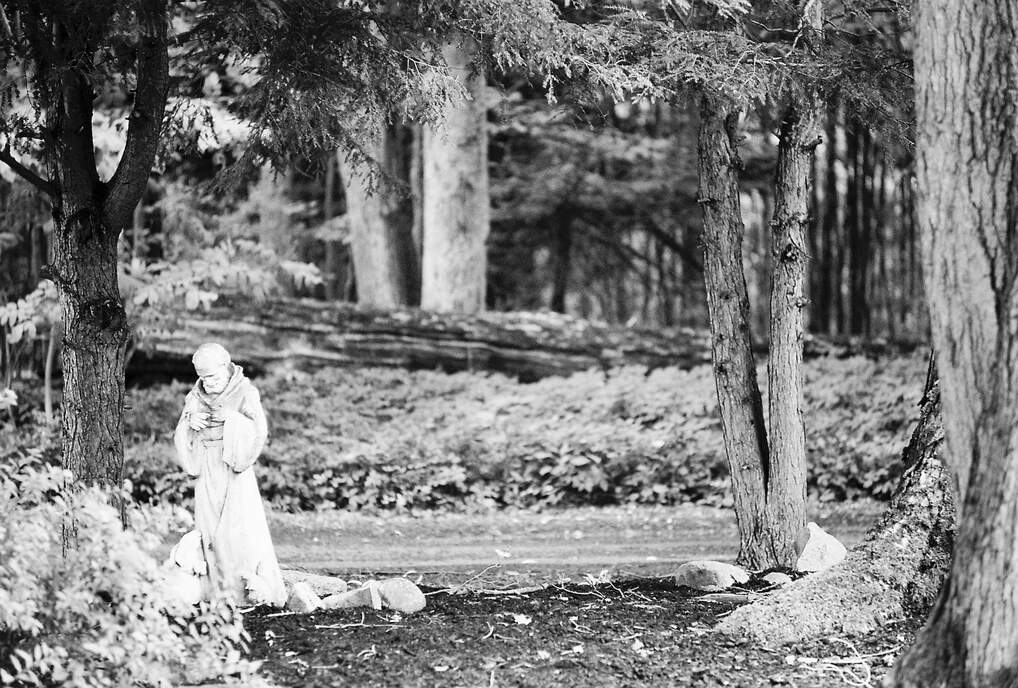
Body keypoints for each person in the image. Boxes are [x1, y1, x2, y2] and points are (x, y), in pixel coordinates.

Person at [172, 342, 286, 607]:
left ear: (225, 367)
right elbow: (182, 430)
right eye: (203, 378)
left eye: (213, 377)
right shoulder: (195, 396)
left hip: (234, 468)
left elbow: (259, 429)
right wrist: (190, 423)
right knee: (209, 529)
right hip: (207, 467)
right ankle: (216, 590)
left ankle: (243, 590)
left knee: (237, 527)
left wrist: (232, 420)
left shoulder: (245, 392)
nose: (208, 383)